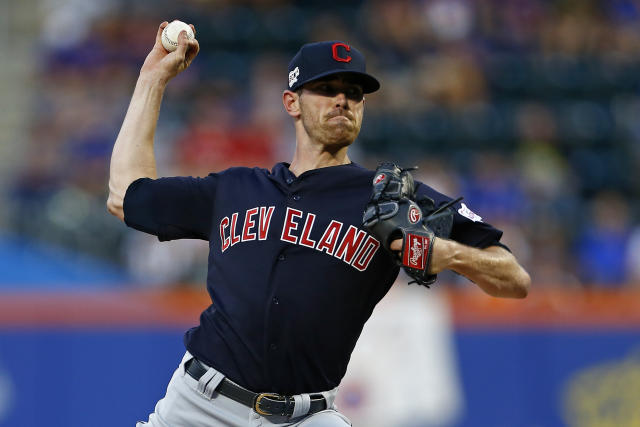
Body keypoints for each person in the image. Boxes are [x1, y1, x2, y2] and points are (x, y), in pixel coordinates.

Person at [107, 21, 531, 427]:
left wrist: (449, 253)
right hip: (201, 406)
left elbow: (514, 278)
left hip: (307, 416)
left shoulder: (395, 198)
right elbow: (126, 195)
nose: (342, 100)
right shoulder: (235, 189)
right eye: (326, 89)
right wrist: (153, 79)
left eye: (354, 92)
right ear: (291, 102)